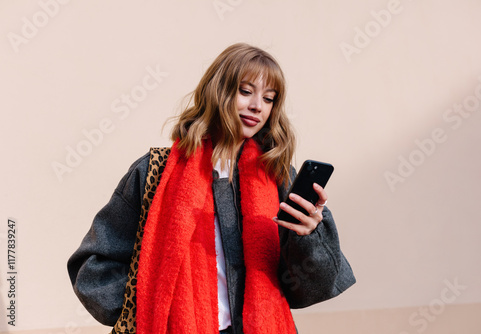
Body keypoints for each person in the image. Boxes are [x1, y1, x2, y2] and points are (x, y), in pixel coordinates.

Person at [67, 43, 355, 334]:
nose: (257, 106)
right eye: (246, 91)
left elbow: (306, 288)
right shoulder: (154, 172)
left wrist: (310, 237)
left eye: (269, 98)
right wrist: (152, 308)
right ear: (219, 91)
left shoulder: (278, 176)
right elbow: (93, 267)